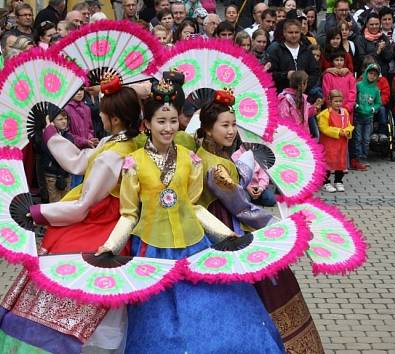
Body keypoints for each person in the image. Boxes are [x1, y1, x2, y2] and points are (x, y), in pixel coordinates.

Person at [95, 83, 286, 353]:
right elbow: (129, 214)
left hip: (195, 246)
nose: (168, 128)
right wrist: (111, 246)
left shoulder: (191, 160)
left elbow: (195, 207)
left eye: (173, 121)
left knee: (216, 311)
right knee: (158, 326)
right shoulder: (133, 163)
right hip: (152, 253)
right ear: (147, 123)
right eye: (161, 121)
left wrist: (226, 235)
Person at [0, 79, 141, 354]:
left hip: (102, 224)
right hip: (113, 222)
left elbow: (82, 205)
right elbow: (79, 160)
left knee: (73, 283)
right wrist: (52, 135)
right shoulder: (124, 143)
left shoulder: (112, 156)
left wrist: (37, 212)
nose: (98, 115)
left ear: (113, 118)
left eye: (102, 112)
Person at [193, 90, 324, 352]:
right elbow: (242, 208)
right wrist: (276, 225)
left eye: (233, 124)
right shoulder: (215, 166)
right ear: (207, 129)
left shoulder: (206, 154)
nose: (231, 131)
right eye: (225, 126)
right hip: (227, 229)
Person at [266, 19, 320, 93]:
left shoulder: (306, 51)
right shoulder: (276, 50)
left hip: (304, 95)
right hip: (282, 94)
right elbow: (270, 74)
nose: (294, 35)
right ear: (284, 33)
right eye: (290, 32)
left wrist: (305, 84)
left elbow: (315, 72)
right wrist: (286, 75)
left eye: (296, 32)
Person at [318, 90, 353, 193]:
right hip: (329, 143)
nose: (338, 103)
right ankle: (325, 182)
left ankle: (339, 180)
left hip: (341, 143)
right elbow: (324, 128)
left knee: (340, 161)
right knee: (328, 162)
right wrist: (338, 132)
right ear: (330, 101)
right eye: (336, 101)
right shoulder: (325, 114)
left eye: (340, 101)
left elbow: (349, 125)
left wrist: (347, 131)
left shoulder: (345, 112)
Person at [352, 63, 382, 171]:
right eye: (370, 73)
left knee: (366, 139)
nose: (372, 76)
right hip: (359, 116)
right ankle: (357, 157)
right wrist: (356, 105)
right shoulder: (359, 85)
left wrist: (373, 109)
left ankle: (364, 157)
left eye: (375, 74)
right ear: (366, 73)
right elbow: (353, 97)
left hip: (369, 117)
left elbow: (378, 103)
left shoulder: (376, 90)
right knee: (358, 138)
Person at [41, 108, 74, 202]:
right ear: (52, 122)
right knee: (55, 201)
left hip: (66, 173)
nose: (64, 121)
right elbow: (51, 153)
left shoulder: (68, 135)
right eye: (60, 119)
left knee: (66, 200)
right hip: (53, 173)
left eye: (65, 118)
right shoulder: (46, 136)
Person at [322, 50, 356, 115]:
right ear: (332, 61)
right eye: (337, 60)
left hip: (347, 111)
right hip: (332, 111)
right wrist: (331, 108)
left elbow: (353, 93)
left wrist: (348, 107)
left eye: (341, 60)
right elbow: (326, 93)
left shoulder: (349, 75)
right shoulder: (328, 76)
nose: (339, 62)